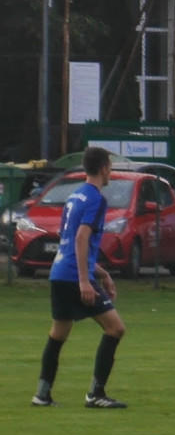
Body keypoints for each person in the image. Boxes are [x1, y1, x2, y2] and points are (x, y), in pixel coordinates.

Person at [32, 146, 128, 409]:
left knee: (59, 332)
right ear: (104, 168)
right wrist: (85, 281)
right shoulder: (97, 199)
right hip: (75, 276)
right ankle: (96, 394)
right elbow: (81, 237)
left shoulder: (74, 197)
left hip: (59, 273)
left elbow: (69, 242)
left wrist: (102, 272)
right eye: (110, 166)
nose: (111, 171)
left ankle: (42, 394)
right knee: (115, 328)